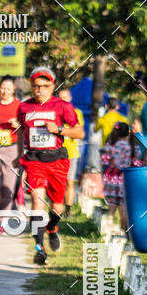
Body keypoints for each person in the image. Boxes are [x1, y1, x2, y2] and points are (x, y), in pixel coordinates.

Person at [17, 66, 84, 265]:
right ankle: (39, 249)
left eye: (45, 86)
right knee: (37, 201)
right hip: (35, 159)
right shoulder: (24, 107)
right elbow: (21, 131)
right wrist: (19, 154)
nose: (40, 90)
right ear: (31, 86)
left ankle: (52, 227)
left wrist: (60, 130)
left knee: (57, 207)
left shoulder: (62, 106)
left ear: (52, 86)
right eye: (36, 86)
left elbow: (79, 133)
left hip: (57, 159)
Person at [0, 75, 21, 213]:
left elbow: (26, 126)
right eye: (2, 88)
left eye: (8, 89)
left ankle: (3, 219)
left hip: (11, 148)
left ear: (13, 90)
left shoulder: (19, 105)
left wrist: (17, 124)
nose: (5, 92)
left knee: (8, 188)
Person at [101, 122, 141, 231]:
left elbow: (104, 160)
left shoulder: (111, 145)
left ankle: (107, 230)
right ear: (129, 132)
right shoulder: (133, 146)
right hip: (126, 179)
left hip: (111, 178)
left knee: (112, 203)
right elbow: (137, 163)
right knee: (124, 206)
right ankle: (125, 231)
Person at [57, 87, 84, 217]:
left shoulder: (76, 112)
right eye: (60, 98)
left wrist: (64, 130)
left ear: (70, 99)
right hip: (56, 151)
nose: (63, 101)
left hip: (71, 152)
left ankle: (68, 210)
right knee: (57, 182)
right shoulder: (54, 112)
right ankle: (57, 208)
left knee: (70, 181)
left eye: (65, 98)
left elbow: (79, 133)